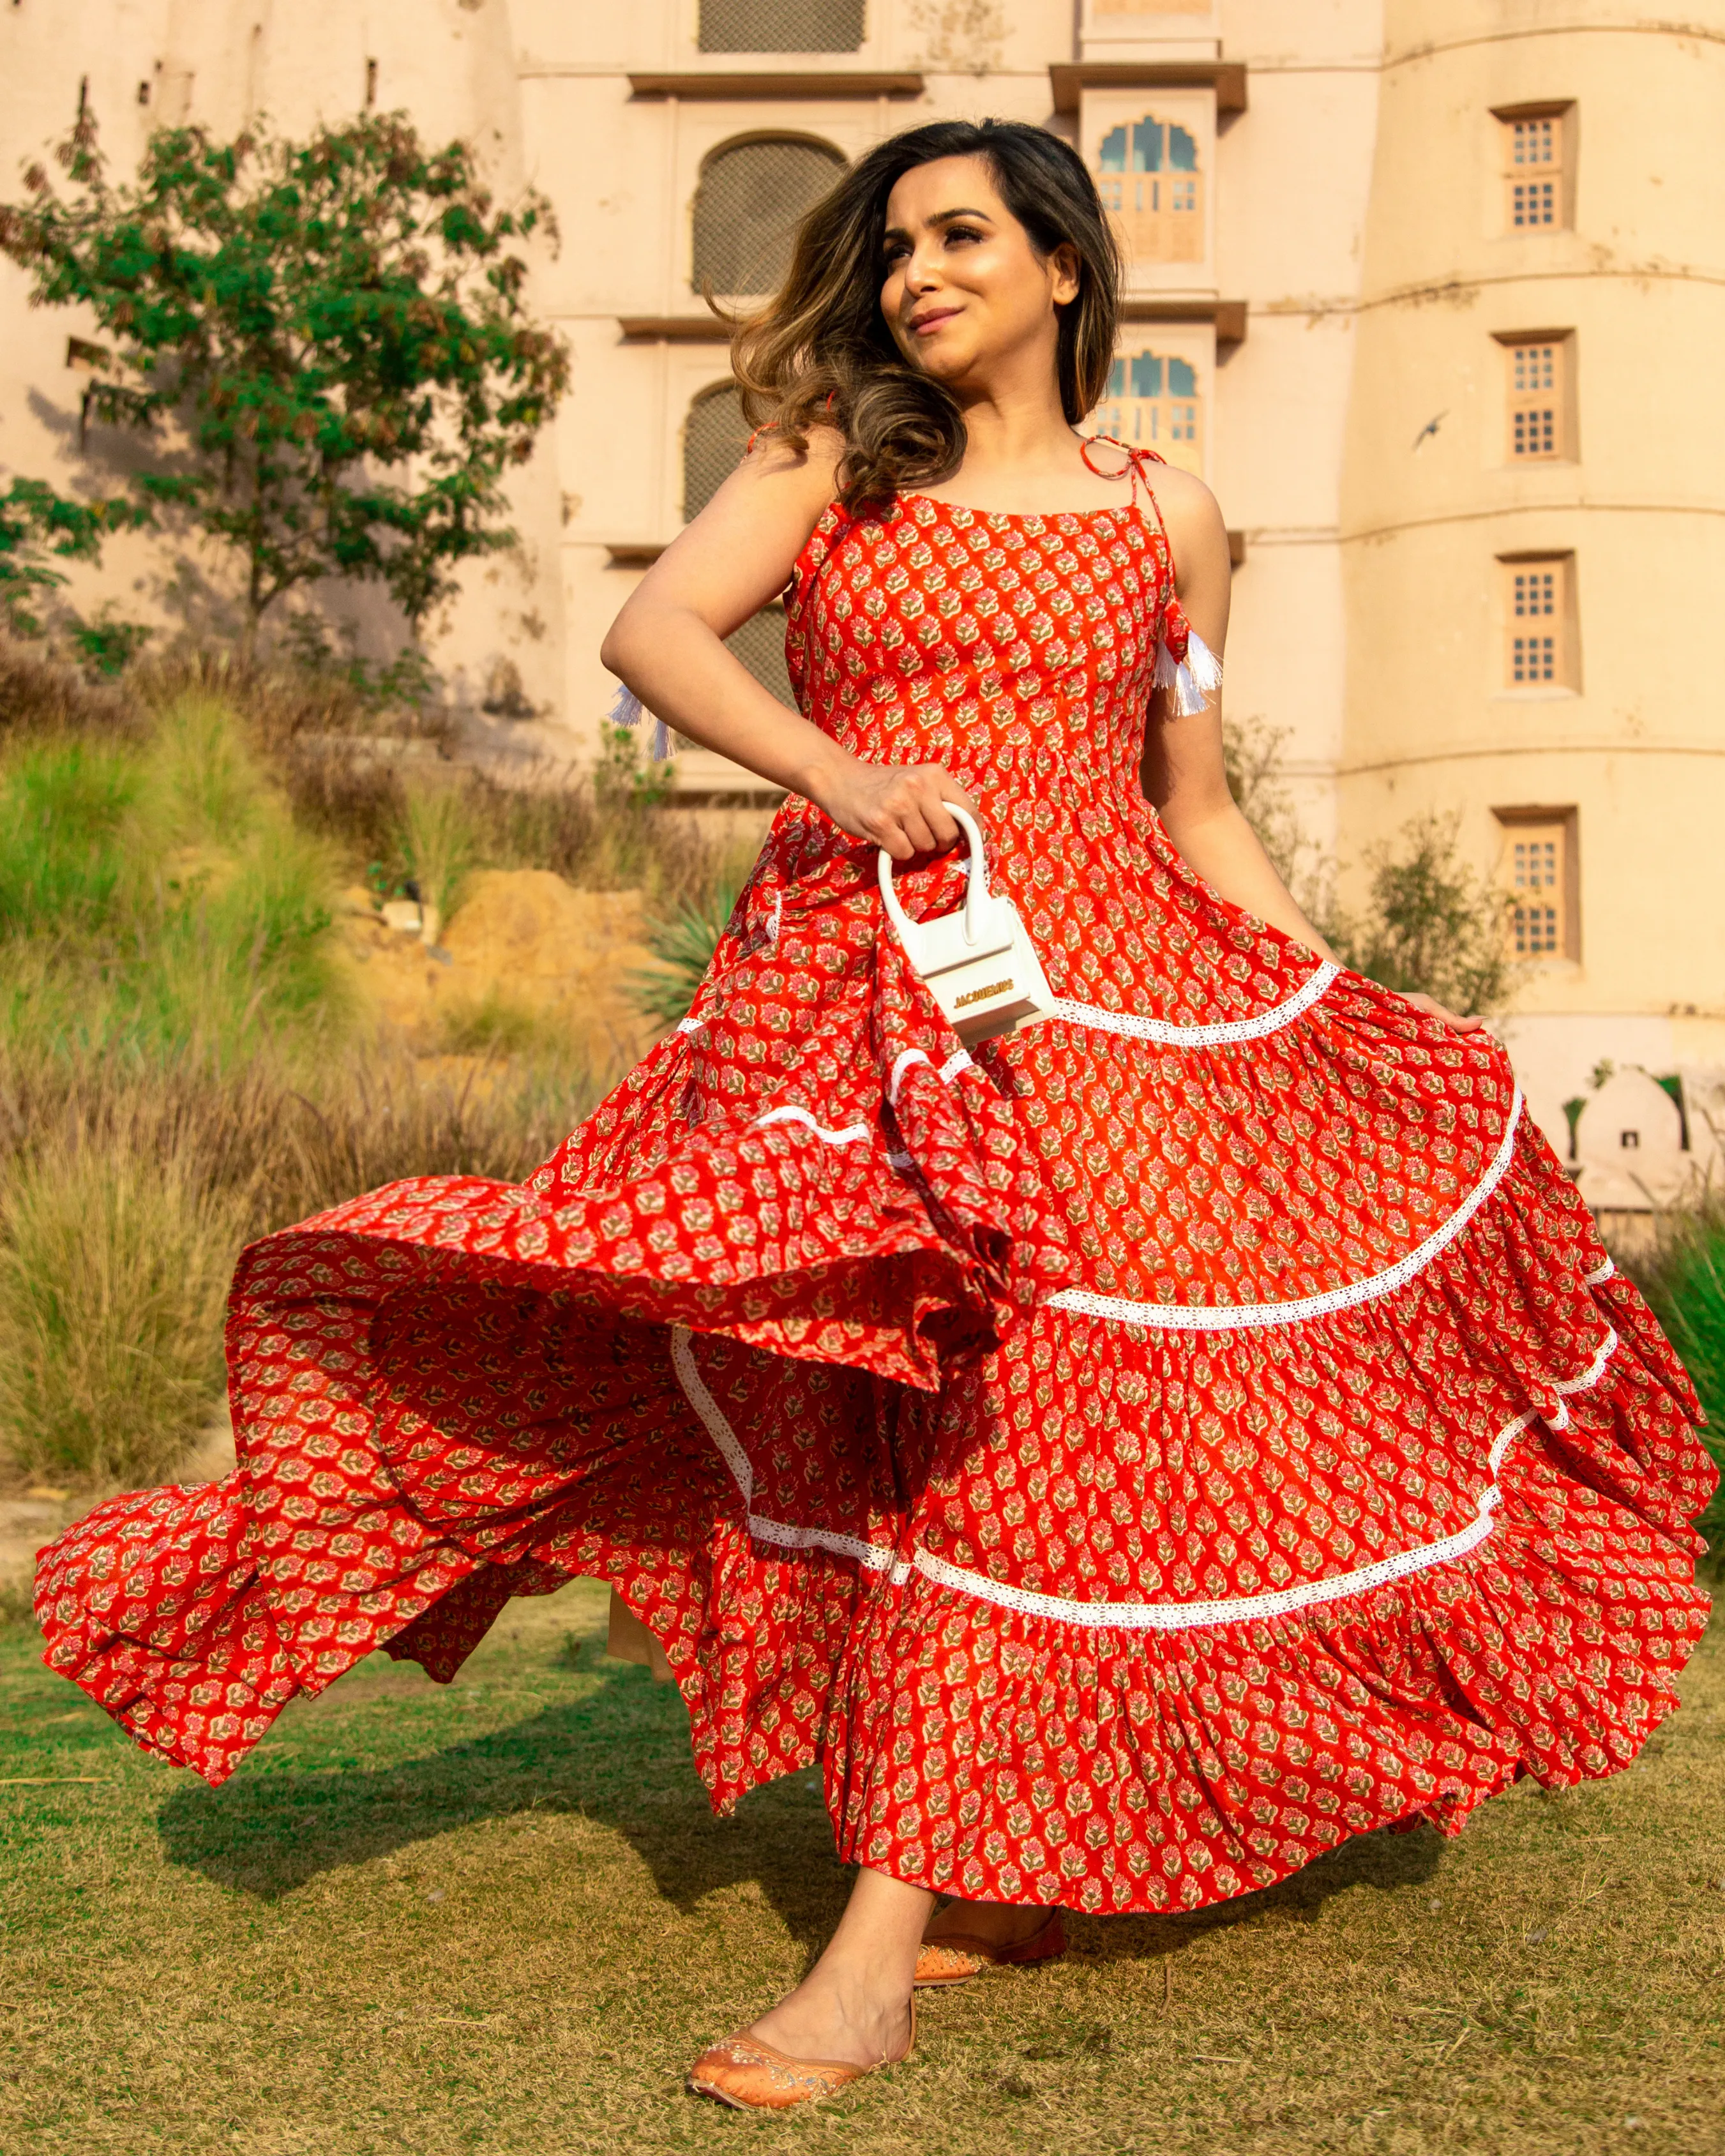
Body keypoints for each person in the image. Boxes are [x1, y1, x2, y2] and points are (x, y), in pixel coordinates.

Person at [37, 119, 1714, 2113]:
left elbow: (1196, 803)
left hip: (1120, 999)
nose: (917, 274)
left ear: (1067, 267)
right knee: (891, 1402)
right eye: (895, 245)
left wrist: (1326, 998)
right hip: (865, 978)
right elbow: (652, 634)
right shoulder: (839, 459)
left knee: (1061, 1425)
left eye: (960, 237)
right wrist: (839, 775)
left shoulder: (1166, 511)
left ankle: (907, 1927)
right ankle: (929, 1887)